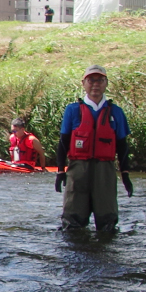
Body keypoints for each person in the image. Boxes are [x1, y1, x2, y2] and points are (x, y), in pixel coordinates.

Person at [55, 65, 133, 233]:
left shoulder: (116, 112)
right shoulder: (72, 110)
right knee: (72, 224)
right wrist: (60, 171)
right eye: (91, 80)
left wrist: (125, 174)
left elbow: (122, 146)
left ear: (106, 83)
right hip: (78, 169)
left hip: (105, 170)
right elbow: (63, 143)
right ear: (84, 83)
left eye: (100, 80)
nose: (95, 84)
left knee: (107, 224)